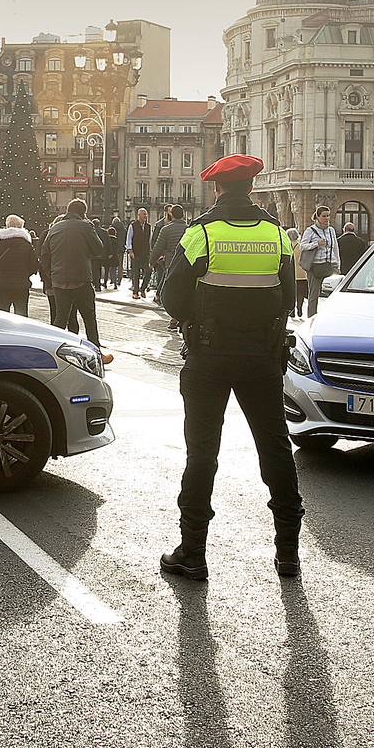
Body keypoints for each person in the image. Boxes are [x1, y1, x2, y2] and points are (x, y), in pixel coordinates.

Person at [159, 154, 302, 579]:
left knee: (202, 453)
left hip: (209, 357)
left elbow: (171, 295)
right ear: (252, 188)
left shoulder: (201, 233)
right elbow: (289, 295)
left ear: (218, 189)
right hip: (262, 357)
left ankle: (193, 552)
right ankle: (288, 553)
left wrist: (195, 317)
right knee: (275, 447)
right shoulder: (277, 235)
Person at [39, 199, 111, 362]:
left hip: (59, 281)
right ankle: (96, 354)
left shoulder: (54, 228)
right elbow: (99, 249)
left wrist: (52, 274)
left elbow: (44, 254)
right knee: (89, 317)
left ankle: (53, 352)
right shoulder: (86, 226)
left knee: (61, 318)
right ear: (83, 213)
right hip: (81, 279)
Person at [0, 215, 39, 317]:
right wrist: (25, 274)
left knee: (2, 315)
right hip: (21, 285)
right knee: (21, 315)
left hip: (2, 285)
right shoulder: (26, 244)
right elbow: (34, 265)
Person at [297, 206, 338, 317]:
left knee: (332, 293)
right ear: (317, 217)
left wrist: (337, 263)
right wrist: (316, 244)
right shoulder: (310, 230)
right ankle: (311, 317)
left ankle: (329, 316)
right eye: (324, 216)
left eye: (328, 216)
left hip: (329, 265)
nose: (326, 218)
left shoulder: (331, 230)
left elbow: (335, 248)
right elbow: (302, 246)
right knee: (314, 294)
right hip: (315, 267)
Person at [128, 207, 153, 300]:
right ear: (139, 215)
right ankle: (135, 292)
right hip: (136, 252)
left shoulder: (148, 227)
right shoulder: (133, 225)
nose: (146, 216)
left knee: (149, 271)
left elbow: (149, 240)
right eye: (144, 214)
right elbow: (129, 238)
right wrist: (130, 250)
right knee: (136, 273)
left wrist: (151, 252)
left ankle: (143, 289)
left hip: (145, 253)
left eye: (146, 214)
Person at [287, 227, 308, 319]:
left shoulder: (286, 245)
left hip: (290, 273)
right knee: (301, 292)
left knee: (292, 292)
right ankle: (299, 307)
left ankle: (292, 310)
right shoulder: (301, 246)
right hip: (301, 273)